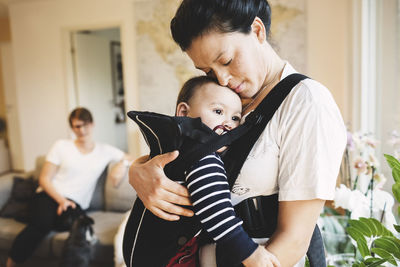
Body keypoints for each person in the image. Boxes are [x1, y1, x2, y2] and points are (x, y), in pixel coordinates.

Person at [129, 0, 347, 266]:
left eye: (227, 60)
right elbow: (186, 152)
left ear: (257, 31)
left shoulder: (306, 103)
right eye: (208, 71)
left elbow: (294, 240)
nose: (221, 79)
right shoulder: (226, 99)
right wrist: (138, 170)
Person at [124, 76, 278, 266]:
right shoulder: (202, 156)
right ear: (183, 112)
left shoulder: (178, 147)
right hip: (167, 257)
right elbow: (217, 212)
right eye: (218, 111)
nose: (228, 123)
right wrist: (251, 255)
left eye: (235, 117)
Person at [6, 107, 133, 267]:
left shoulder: (105, 150)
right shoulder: (61, 146)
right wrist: (61, 201)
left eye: (85, 125)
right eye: (77, 126)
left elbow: (129, 157)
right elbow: (44, 179)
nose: (82, 130)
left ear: (92, 124)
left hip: (75, 205)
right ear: (72, 128)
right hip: (49, 196)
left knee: (81, 228)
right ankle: (11, 263)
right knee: (41, 225)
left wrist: (123, 164)